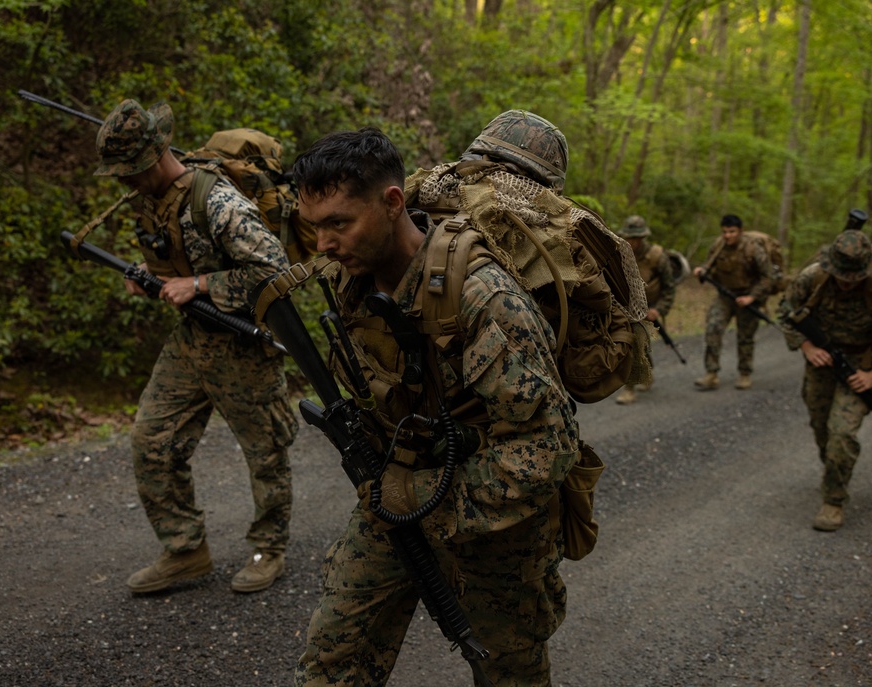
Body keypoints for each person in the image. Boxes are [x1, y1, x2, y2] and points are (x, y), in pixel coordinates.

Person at [292, 124, 580, 686]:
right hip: (391, 492)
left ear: (392, 202)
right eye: (314, 228)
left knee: (508, 674)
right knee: (333, 660)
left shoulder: (481, 295)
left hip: (491, 523)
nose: (323, 245)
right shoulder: (353, 277)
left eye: (337, 224)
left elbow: (549, 449)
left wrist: (422, 493)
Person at [93, 99, 298, 593]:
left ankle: (266, 550)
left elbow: (279, 272)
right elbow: (173, 262)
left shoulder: (219, 202)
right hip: (192, 340)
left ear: (153, 159)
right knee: (152, 439)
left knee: (265, 453)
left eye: (129, 171)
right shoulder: (148, 198)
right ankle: (185, 549)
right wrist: (153, 281)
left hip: (243, 343)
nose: (123, 181)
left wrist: (200, 284)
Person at [781, 231, 872, 531]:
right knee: (821, 428)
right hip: (820, 366)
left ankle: (833, 500)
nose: (845, 281)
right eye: (841, 274)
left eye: (852, 276)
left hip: (861, 370)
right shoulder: (812, 278)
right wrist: (807, 346)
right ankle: (834, 467)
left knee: (841, 434)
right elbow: (786, 311)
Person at [692, 214, 772, 390]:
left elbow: (767, 278)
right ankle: (711, 373)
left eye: (732, 232)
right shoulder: (718, 246)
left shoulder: (753, 249)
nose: (728, 236)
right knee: (713, 328)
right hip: (725, 296)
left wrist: (752, 297)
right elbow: (709, 266)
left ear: (740, 232)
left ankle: (745, 373)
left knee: (745, 337)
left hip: (748, 297)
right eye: (725, 232)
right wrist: (702, 271)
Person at [615, 215, 676, 404]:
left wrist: (658, 310)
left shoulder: (658, 257)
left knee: (636, 344)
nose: (632, 242)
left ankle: (629, 389)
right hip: (625, 308)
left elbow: (669, 287)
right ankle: (645, 372)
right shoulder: (619, 253)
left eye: (636, 238)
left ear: (643, 238)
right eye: (629, 237)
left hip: (648, 310)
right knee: (633, 344)